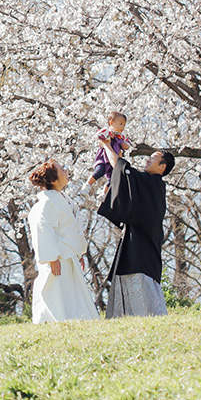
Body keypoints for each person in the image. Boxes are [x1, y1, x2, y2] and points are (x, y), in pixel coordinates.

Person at [96, 140, 176, 318]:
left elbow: (122, 169)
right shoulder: (152, 185)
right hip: (142, 242)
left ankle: (145, 318)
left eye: (153, 159)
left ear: (162, 167)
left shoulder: (152, 183)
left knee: (140, 284)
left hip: (141, 246)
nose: (147, 160)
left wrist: (107, 146)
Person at [26, 159, 98, 323]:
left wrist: (79, 251)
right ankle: (52, 321)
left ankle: (79, 320)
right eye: (61, 170)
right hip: (57, 256)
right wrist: (51, 257)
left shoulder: (65, 200)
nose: (65, 171)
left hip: (70, 253)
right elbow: (42, 230)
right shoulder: (45, 203)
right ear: (53, 179)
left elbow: (74, 228)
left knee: (73, 292)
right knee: (56, 292)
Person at [85, 111, 132, 190]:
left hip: (114, 159)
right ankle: (87, 185)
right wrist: (106, 137)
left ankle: (104, 193)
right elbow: (98, 136)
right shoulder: (107, 131)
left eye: (124, 125)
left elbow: (128, 143)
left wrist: (126, 145)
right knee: (99, 171)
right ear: (111, 123)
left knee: (115, 177)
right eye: (121, 124)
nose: (122, 127)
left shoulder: (121, 136)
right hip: (104, 157)